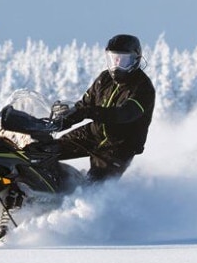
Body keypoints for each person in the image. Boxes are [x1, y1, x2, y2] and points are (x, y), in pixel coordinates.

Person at [53, 34, 156, 181]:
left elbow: (124, 114)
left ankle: (80, 200)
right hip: (94, 133)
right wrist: (61, 121)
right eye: (113, 59)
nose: (117, 65)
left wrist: (89, 112)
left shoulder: (142, 87)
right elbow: (83, 105)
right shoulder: (104, 79)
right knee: (47, 150)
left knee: (92, 188)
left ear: (136, 60)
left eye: (123, 60)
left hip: (119, 147)